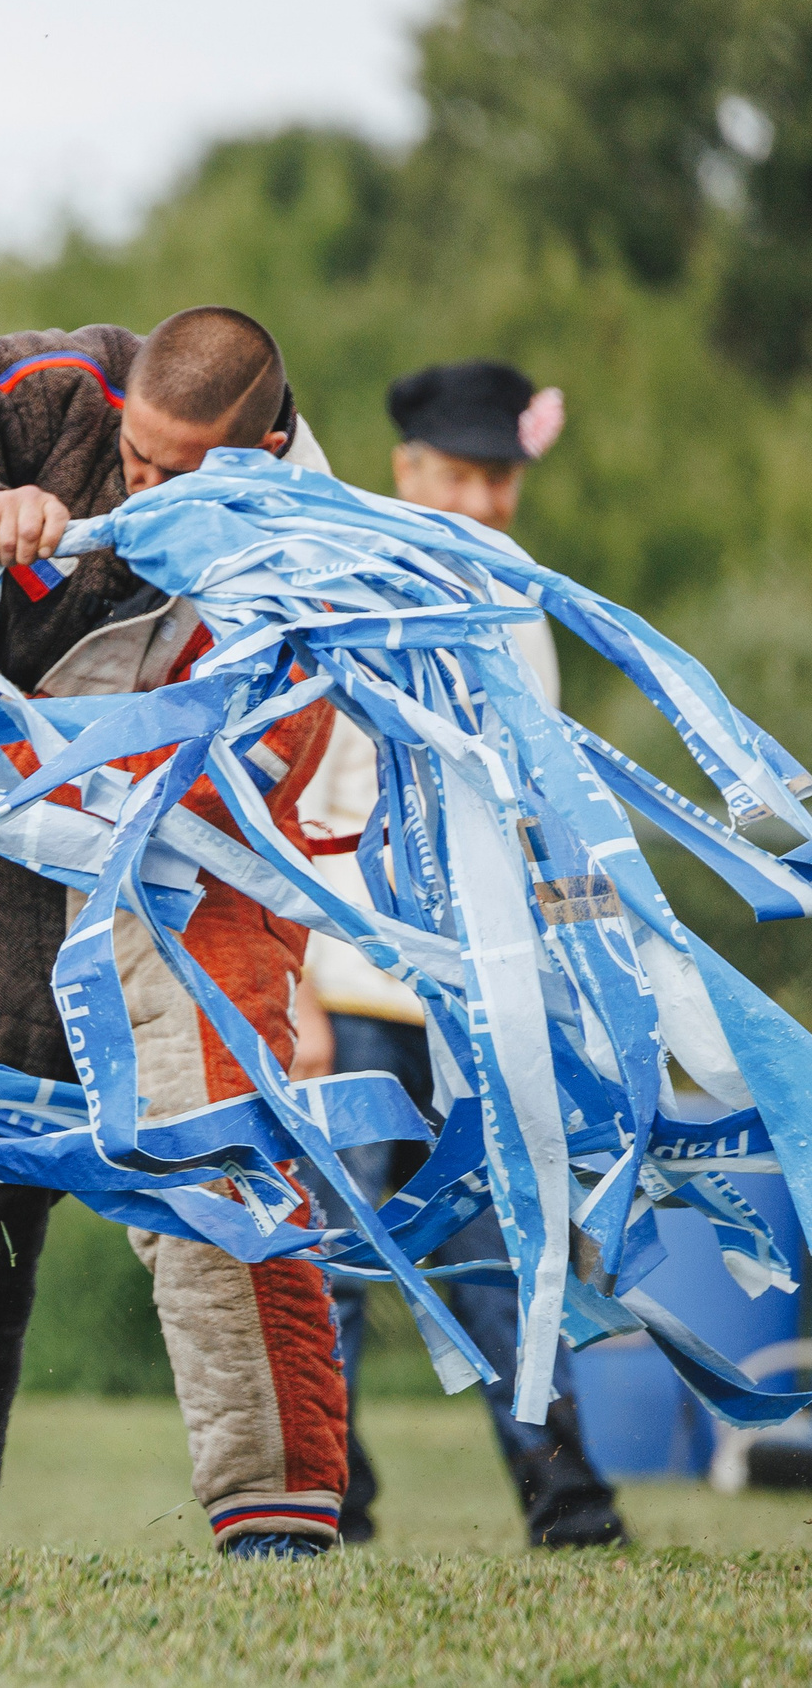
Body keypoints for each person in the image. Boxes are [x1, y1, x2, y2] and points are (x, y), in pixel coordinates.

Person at [0, 308, 350, 1559]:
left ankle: (276, 1529)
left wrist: (54, 753)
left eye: (177, 472)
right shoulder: (56, 389)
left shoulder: (319, 542)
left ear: (263, 444)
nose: (139, 482)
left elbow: (274, 747)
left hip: (188, 863)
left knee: (220, 1175)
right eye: (132, 455)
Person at [294, 360, 631, 1549]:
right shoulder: (343, 598)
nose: (489, 500)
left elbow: (535, 804)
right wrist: (292, 989)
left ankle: (568, 1505)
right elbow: (288, 805)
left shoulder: (518, 609)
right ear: (408, 471)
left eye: (504, 478)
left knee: (496, 1261)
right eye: (468, 475)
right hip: (351, 983)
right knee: (328, 1268)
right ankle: (324, 1500)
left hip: (476, 1001)